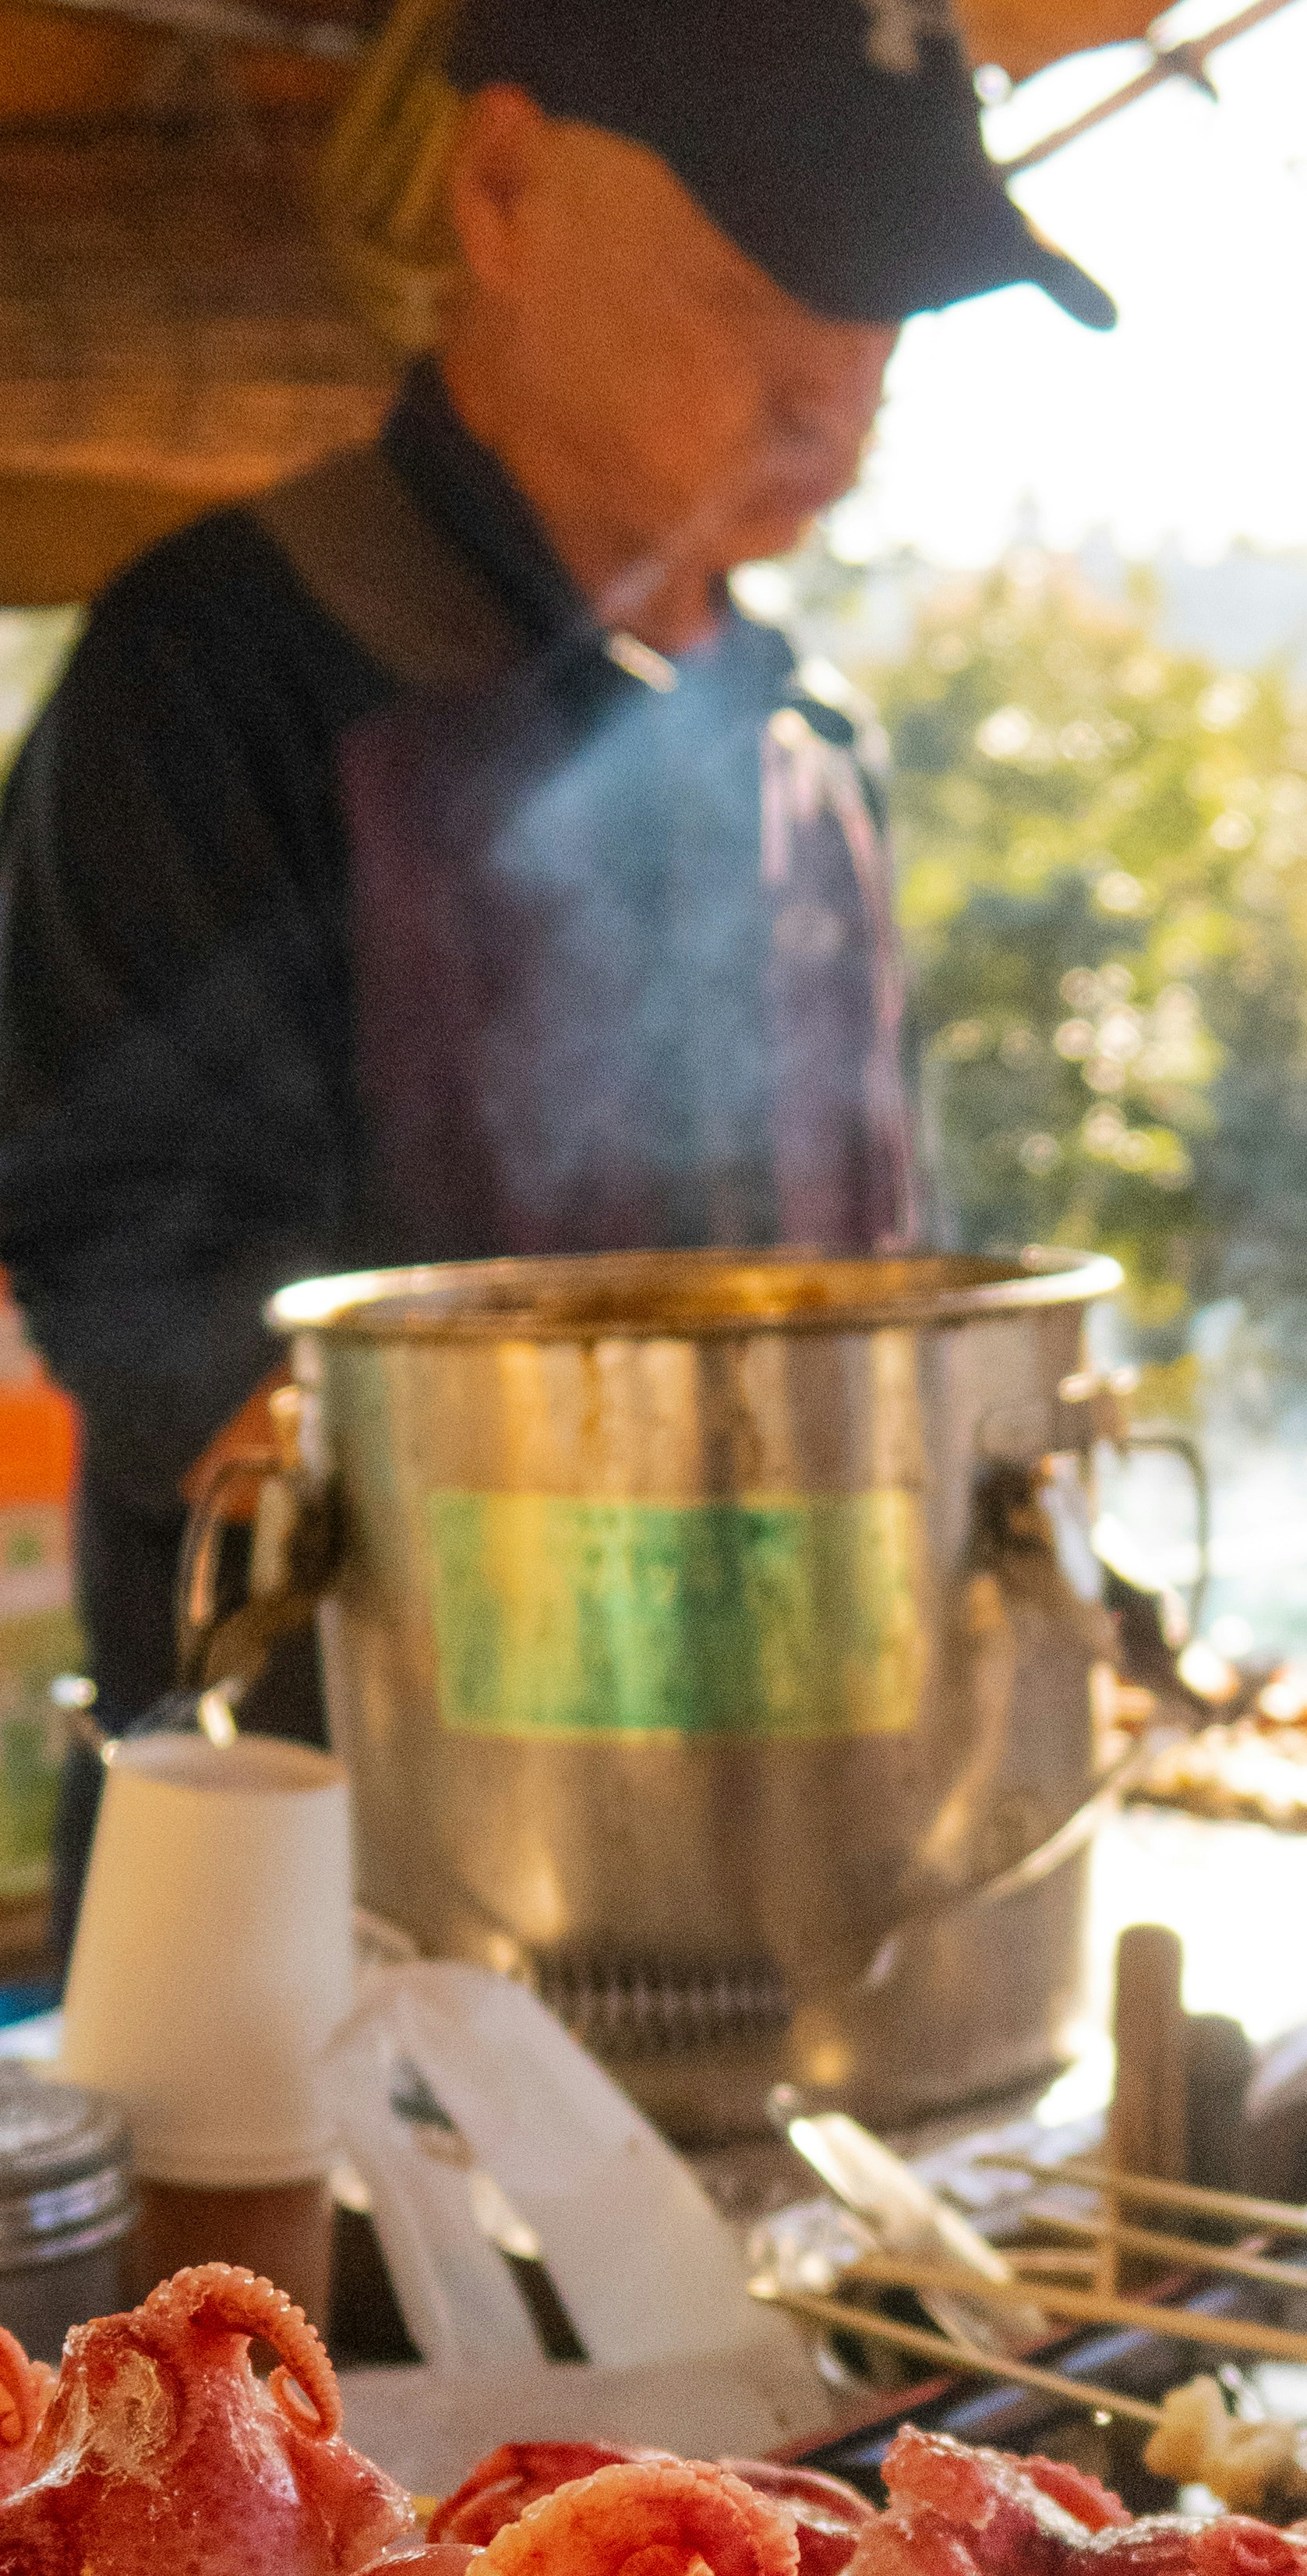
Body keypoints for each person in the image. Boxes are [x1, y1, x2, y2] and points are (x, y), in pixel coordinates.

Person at [0, 0, 1111, 1923]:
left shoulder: (805, 744)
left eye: (890, 311)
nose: (836, 384)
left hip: (793, 1887)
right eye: (774, 275)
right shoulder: (224, 678)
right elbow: (159, 1305)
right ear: (502, 191)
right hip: (336, 1920)